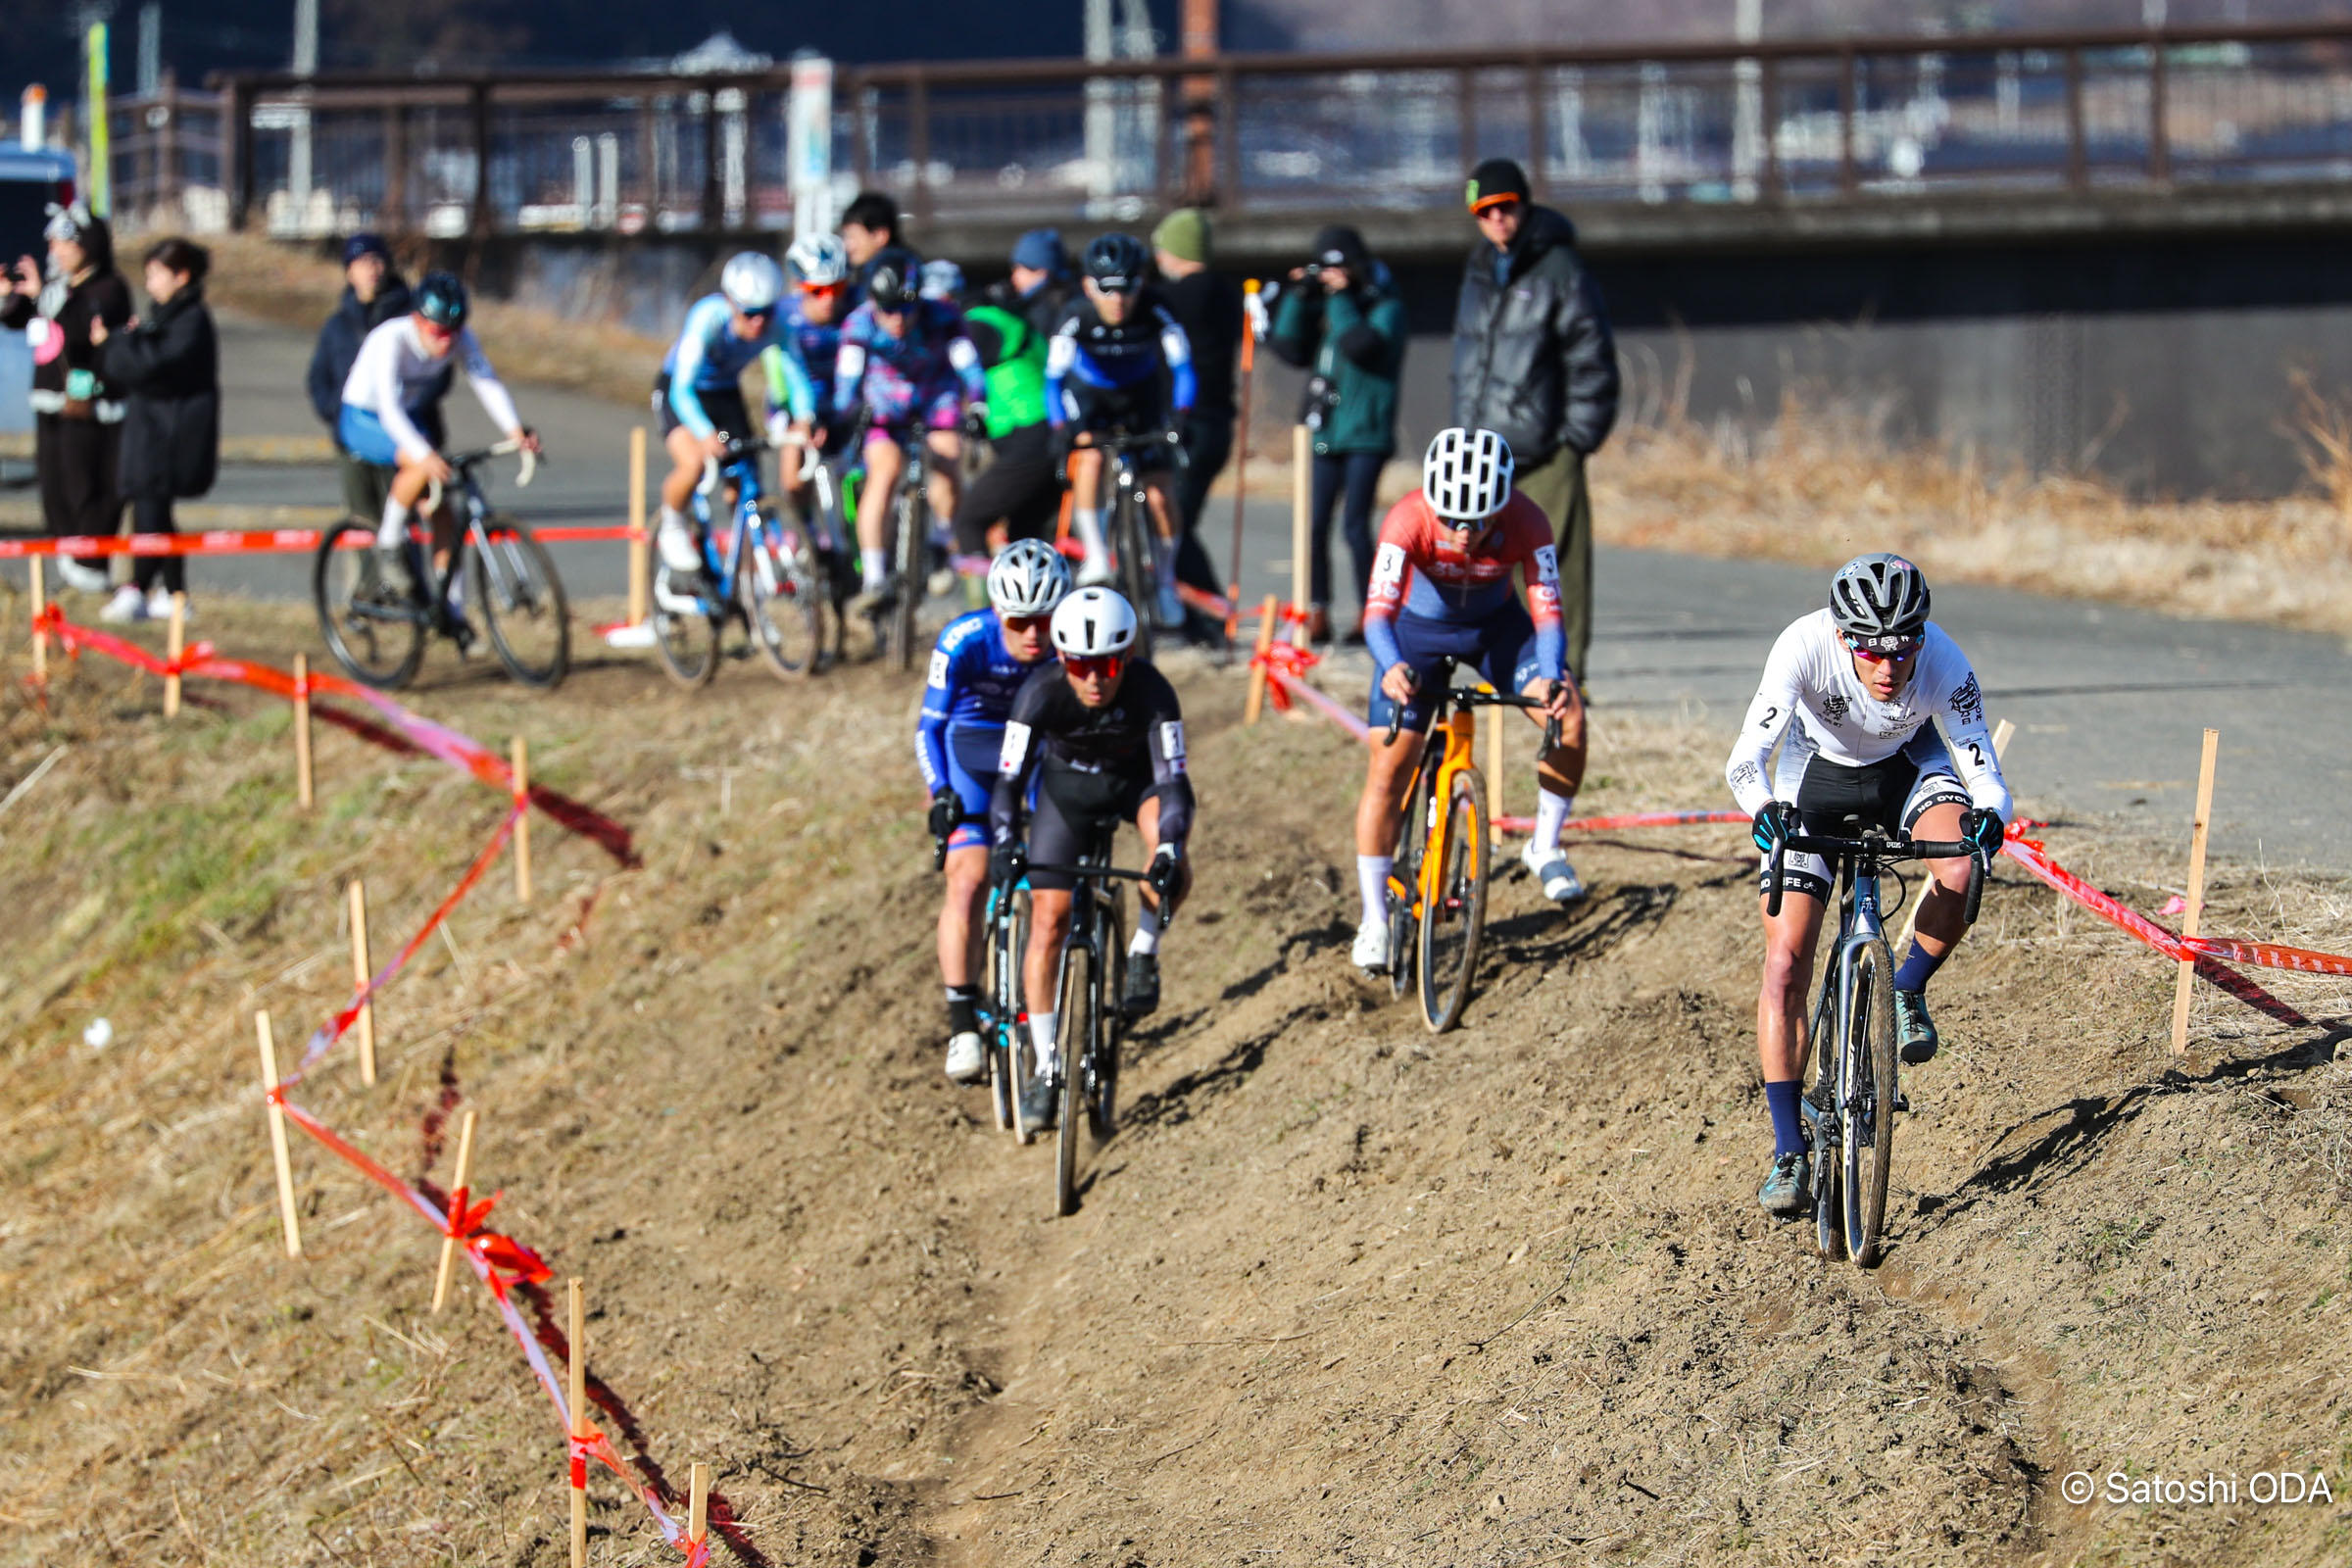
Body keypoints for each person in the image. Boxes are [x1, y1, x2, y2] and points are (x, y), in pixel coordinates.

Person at [1726, 553, 2011, 1217]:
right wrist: (1765, 813)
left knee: (1962, 865)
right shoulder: (1801, 645)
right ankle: (1789, 1151)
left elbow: (1984, 772)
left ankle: (1906, 987)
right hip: (1812, 776)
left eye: (1903, 653)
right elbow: (1745, 761)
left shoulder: (1944, 660)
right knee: (1785, 963)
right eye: (1873, 654)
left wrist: (1992, 820)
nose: (1889, 671)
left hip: (1905, 769)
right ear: (1842, 638)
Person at [1350, 428, 1589, 971]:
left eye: (1477, 521)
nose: (1462, 533)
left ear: (1501, 506)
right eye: (1451, 519)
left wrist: (1551, 676)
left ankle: (1544, 846)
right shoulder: (1406, 520)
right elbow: (1376, 617)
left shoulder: (1529, 520)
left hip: (1495, 629)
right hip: (1415, 635)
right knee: (1389, 766)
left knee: (1568, 714)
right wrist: (1392, 669)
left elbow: (1548, 615)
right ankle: (1374, 920)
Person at [989, 586, 1193, 1129]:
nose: (1094, 679)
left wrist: (1169, 848)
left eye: (1105, 664)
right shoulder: (1039, 693)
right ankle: (1048, 1066)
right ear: (1062, 658)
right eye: (1080, 664)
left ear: (1125, 657)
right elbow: (1008, 782)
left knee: (1167, 853)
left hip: (1135, 785)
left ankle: (1144, 949)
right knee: (1048, 920)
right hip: (1066, 794)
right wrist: (1007, 843)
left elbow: (1174, 783)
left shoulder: (1154, 692)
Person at [1451, 157, 1620, 683]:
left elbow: (1591, 359)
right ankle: (1515, 673)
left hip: (1547, 451)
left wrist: (1573, 442)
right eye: (1485, 212)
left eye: (1506, 207)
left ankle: (1566, 681)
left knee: (1554, 570)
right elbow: (1468, 361)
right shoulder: (1479, 269)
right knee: (1487, 571)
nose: (1497, 220)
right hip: (1485, 454)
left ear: (1524, 205)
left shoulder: (1560, 269)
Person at [919, 539, 1072, 1083]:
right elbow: (929, 728)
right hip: (974, 754)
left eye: (1045, 620)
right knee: (968, 877)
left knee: (1055, 878)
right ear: (996, 611)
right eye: (1019, 622)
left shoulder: (1072, 640)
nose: (1034, 635)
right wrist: (941, 791)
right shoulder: (963, 639)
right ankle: (963, 1025)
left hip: (1039, 752)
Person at [338, 271, 541, 627]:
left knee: (444, 510)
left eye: (455, 332)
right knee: (420, 464)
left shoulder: (461, 337)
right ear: (418, 321)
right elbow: (388, 407)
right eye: (438, 333)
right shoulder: (390, 340)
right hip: (364, 416)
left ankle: (453, 608)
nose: (447, 342)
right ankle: (389, 545)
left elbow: (486, 381)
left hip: (407, 415)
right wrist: (423, 453)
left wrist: (515, 430)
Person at [1047, 232, 1196, 625]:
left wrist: (1182, 413)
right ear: (1087, 287)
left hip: (1142, 399)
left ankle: (1165, 581)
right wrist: (1063, 427)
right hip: (1090, 398)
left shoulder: (1157, 309)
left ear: (1141, 284)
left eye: (1127, 289)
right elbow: (1053, 381)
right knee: (1091, 458)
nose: (1118, 300)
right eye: (1106, 290)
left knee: (1162, 493)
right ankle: (1096, 555)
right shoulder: (1075, 315)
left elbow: (1182, 367)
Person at [1270, 223, 1408, 645]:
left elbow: (1359, 345)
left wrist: (1340, 296)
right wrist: (1299, 296)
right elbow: (1288, 346)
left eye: (1339, 270)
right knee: (1313, 525)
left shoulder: (1384, 306)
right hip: (1325, 430)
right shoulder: (1329, 307)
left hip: (1366, 433)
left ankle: (1374, 613)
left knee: (1354, 525)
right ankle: (1318, 609)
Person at [833, 248, 986, 612]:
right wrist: (847, 413)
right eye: (888, 310)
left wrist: (978, 403)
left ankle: (940, 540)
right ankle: (873, 577)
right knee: (883, 474)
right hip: (885, 407)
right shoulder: (859, 325)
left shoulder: (943, 317)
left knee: (948, 459)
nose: (898, 320)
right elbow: (847, 382)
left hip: (936, 399)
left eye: (906, 309)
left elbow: (969, 366)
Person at [651, 252, 812, 576]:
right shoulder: (708, 318)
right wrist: (705, 433)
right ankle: (672, 523)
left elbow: (796, 375)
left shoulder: (777, 324)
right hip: (683, 394)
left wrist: (805, 418)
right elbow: (682, 389)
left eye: (765, 313)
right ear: (731, 303)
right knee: (693, 463)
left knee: (745, 477)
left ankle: (743, 577)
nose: (758, 322)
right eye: (750, 313)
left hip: (725, 394)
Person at [0, 203, 133, 594]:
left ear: (86, 246)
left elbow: (77, 324)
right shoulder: (60, 287)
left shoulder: (108, 288)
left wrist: (43, 297)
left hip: (90, 406)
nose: (55, 250)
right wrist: (10, 297)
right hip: (51, 402)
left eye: (63, 243)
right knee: (54, 487)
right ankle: (70, 564)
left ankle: (88, 570)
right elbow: (22, 317)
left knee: (85, 488)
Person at [91, 237, 219, 624]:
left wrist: (113, 344)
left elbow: (155, 367)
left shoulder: (191, 319)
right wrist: (132, 339)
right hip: (156, 428)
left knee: (150, 503)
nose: (149, 284)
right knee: (155, 510)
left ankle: (137, 589)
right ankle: (174, 592)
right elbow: (149, 354)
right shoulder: (168, 316)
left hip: (171, 432)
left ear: (182, 276)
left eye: (155, 274)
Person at [950, 231, 1075, 573]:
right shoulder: (1015, 319)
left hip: (1030, 436)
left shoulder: (979, 324)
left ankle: (990, 616)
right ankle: (1040, 614)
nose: (1014, 276)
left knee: (971, 521)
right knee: (1025, 538)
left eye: (1022, 268)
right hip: (1051, 436)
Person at [1148, 208, 1243, 620]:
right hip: (1216, 422)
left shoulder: (1182, 297)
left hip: (1190, 423)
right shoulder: (1226, 293)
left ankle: (1209, 616)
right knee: (1176, 519)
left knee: (1173, 521)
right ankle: (1199, 614)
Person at [307, 233, 413, 526]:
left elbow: (435, 373)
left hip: (402, 437)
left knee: (403, 527)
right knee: (362, 524)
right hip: (352, 436)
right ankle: (366, 575)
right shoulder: (338, 324)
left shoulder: (409, 316)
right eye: (363, 262)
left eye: (378, 261)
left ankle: (403, 573)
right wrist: (337, 412)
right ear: (349, 272)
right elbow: (318, 378)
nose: (372, 269)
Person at [766, 234, 852, 550]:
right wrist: (800, 420)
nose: (828, 299)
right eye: (817, 291)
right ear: (799, 285)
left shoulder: (854, 312)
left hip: (843, 405)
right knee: (793, 475)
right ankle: (809, 537)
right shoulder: (783, 317)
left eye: (836, 289)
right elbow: (778, 378)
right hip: (794, 406)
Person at [839, 191, 910, 301]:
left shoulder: (892, 277)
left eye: (852, 237)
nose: (847, 245)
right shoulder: (908, 267)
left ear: (880, 236)